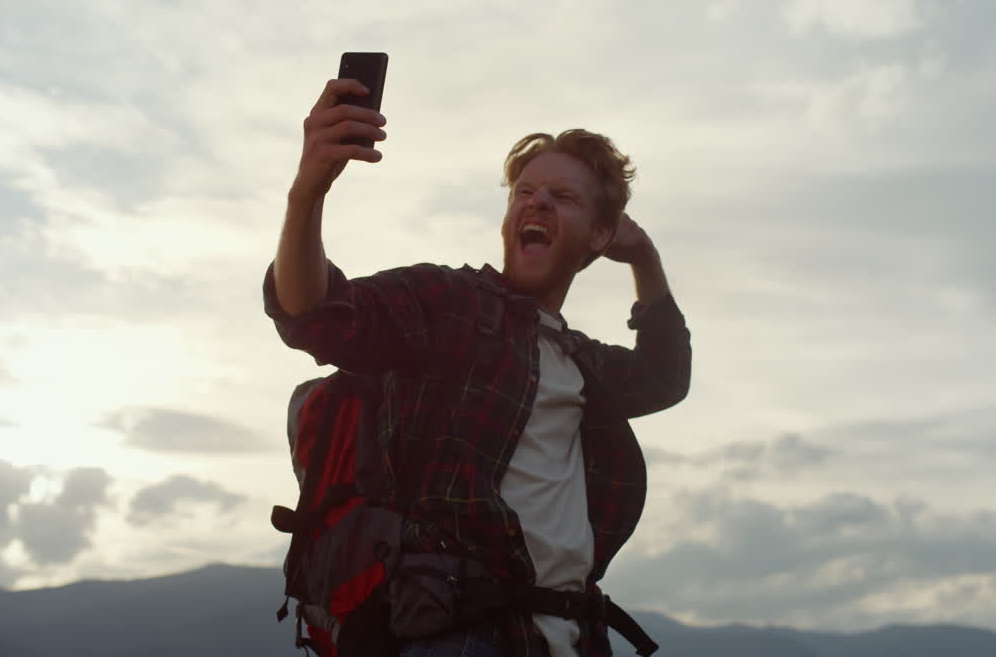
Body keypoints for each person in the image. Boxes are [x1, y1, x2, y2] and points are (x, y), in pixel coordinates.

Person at [264, 78, 692, 657]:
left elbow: (666, 376)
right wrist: (306, 193)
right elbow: (315, 314)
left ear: (599, 235)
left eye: (563, 198)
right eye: (524, 191)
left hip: (570, 637)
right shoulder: (450, 304)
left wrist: (644, 257)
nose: (536, 202)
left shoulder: (579, 361)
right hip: (456, 632)